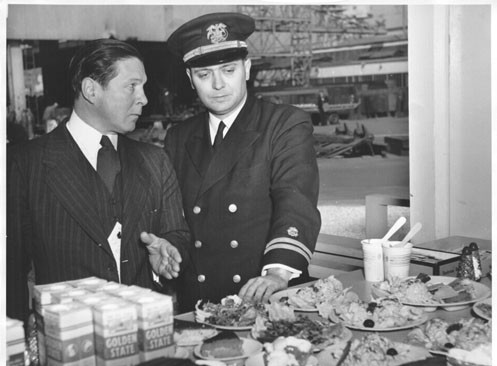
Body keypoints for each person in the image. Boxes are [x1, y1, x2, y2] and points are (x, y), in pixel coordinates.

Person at [7, 39, 190, 323]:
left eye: (142, 87)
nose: (143, 98)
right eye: (132, 86)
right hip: (69, 343)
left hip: (142, 340)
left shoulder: (155, 161)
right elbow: (9, 271)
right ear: (91, 90)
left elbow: (176, 232)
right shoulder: (25, 164)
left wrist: (167, 251)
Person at [164, 12, 321, 312]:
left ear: (246, 68)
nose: (218, 84)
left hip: (261, 297)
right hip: (198, 303)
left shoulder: (284, 124)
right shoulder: (178, 137)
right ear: (190, 79)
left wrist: (277, 272)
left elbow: (295, 200)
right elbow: (173, 219)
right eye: (204, 74)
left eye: (228, 70)